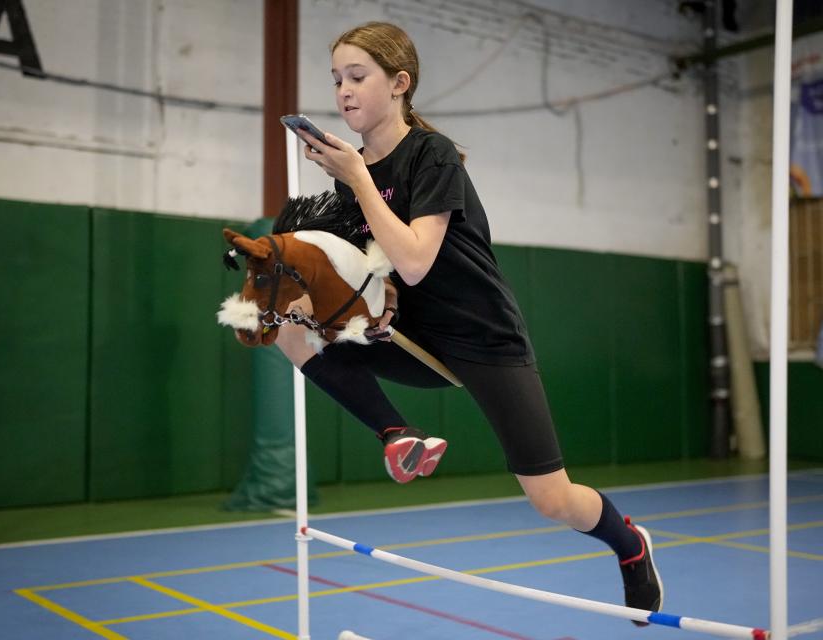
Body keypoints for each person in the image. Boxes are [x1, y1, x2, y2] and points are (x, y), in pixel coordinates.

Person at [275, 21, 663, 620]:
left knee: (551, 499)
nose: (344, 91)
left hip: (483, 338)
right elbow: (371, 271)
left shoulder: (432, 156)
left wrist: (357, 177)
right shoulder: (350, 177)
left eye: (358, 77)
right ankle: (396, 435)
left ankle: (630, 545)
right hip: (413, 337)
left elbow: (413, 259)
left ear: (400, 83)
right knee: (291, 331)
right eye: (336, 80)